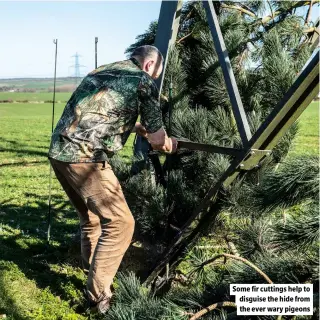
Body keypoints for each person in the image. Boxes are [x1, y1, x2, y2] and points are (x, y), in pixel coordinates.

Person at [48, 45, 178, 314]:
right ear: (148, 66)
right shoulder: (143, 81)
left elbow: (101, 112)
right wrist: (167, 144)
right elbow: (158, 140)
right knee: (120, 223)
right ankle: (97, 299)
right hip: (86, 158)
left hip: (59, 152)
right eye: (156, 74)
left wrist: (138, 129)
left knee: (91, 218)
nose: (154, 78)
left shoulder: (104, 70)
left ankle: (94, 274)